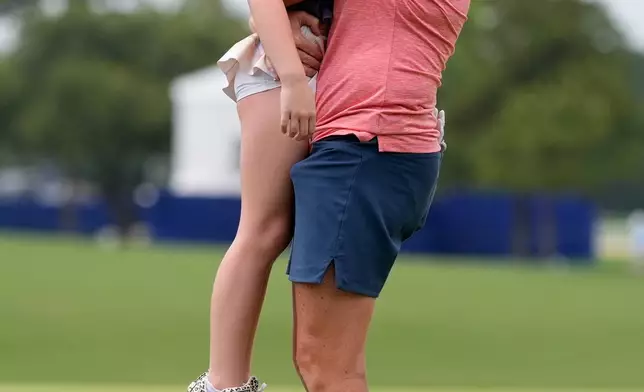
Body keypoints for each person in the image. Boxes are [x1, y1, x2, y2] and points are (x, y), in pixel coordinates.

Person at [248, 0, 470, 391]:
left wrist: (293, 77)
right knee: (319, 359)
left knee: (328, 365)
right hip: (375, 149)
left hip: (365, 149)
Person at [187, 2, 330, 392]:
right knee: (264, 230)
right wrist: (293, 80)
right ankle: (222, 384)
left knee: (275, 231)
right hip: (286, 75)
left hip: (303, 69)